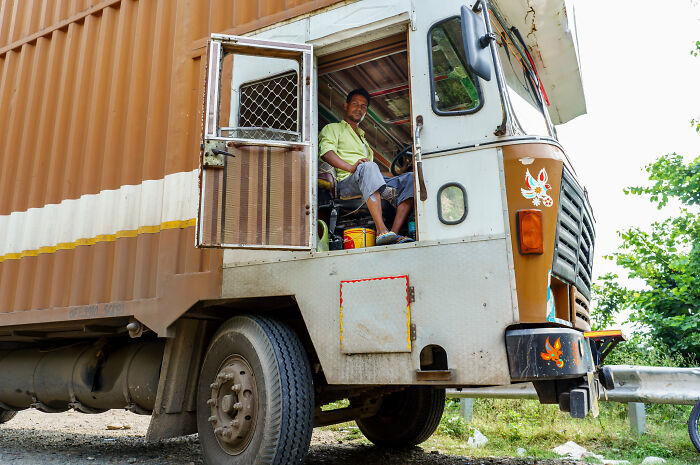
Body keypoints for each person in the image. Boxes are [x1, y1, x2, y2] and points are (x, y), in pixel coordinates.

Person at [319, 88, 415, 246]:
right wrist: (351, 167)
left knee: (410, 179)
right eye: (355, 104)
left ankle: (394, 234)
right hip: (347, 183)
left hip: (364, 177)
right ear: (346, 106)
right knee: (368, 167)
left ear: (366, 112)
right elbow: (327, 153)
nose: (359, 108)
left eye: (363, 106)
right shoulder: (333, 129)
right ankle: (381, 229)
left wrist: (399, 174)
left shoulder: (365, 142)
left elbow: (373, 172)